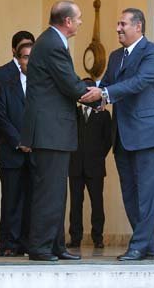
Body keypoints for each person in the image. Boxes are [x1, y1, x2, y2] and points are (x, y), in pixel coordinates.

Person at [80, 8, 154, 261]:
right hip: (121, 135)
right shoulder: (115, 55)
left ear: (138, 26)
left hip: (148, 135)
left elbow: (139, 82)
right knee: (130, 194)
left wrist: (104, 95)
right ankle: (147, 246)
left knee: (146, 194)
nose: (118, 28)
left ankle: (139, 245)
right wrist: (89, 96)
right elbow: (106, 85)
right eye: (117, 24)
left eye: (123, 24)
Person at [20, 1, 90, 262]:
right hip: (50, 130)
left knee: (57, 191)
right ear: (67, 21)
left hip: (53, 131)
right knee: (49, 191)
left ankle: (56, 245)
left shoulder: (51, 40)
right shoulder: (52, 43)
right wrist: (98, 96)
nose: (81, 22)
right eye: (79, 18)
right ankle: (40, 247)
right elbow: (70, 84)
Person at [0, 41, 33, 257]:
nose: (28, 61)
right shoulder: (6, 85)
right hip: (12, 151)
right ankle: (8, 243)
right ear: (18, 60)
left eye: (32, 57)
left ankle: (26, 242)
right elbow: (1, 116)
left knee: (30, 200)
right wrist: (19, 141)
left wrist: (33, 141)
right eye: (25, 57)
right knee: (11, 200)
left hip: (35, 153)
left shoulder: (42, 87)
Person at [67, 78, 112, 249]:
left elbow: (108, 140)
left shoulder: (103, 114)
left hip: (95, 166)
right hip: (75, 166)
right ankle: (75, 237)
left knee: (97, 203)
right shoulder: (73, 113)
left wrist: (98, 156)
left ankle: (98, 237)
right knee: (75, 204)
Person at [0, 31, 35, 163]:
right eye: (23, 46)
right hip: (7, 146)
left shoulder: (39, 75)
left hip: (34, 150)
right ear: (14, 50)